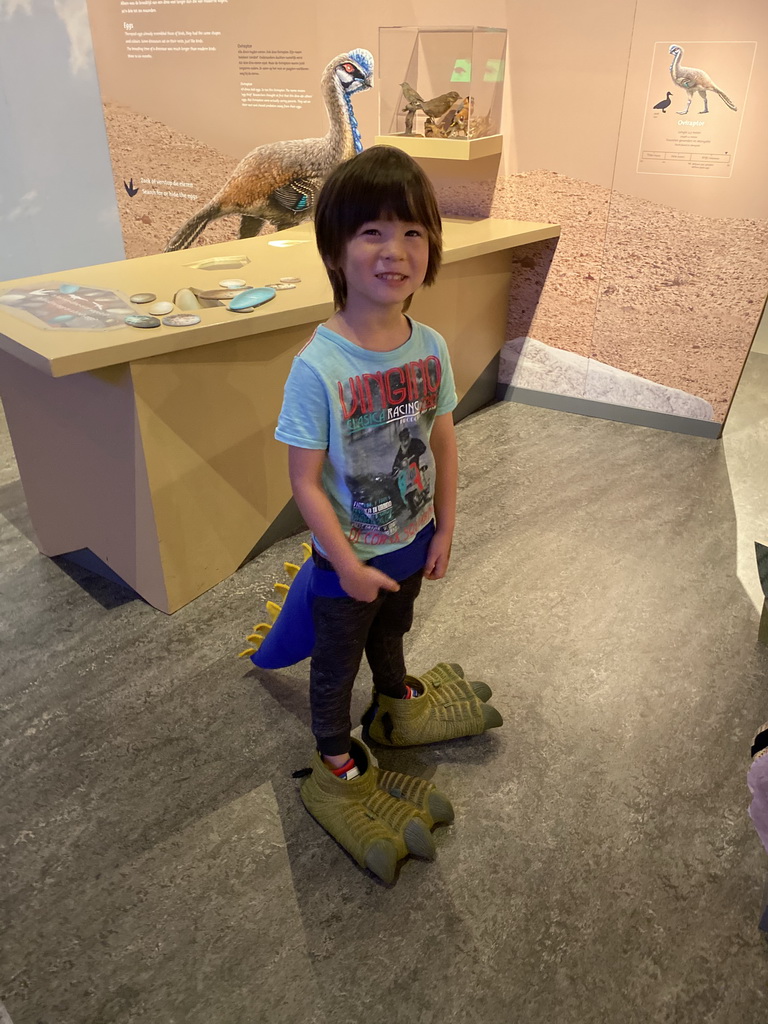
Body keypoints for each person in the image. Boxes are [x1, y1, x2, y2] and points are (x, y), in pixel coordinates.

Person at [273, 145, 502, 881]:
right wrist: (343, 562)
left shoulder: (429, 346)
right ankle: (336, 754)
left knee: (396, 630)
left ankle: (396, 701)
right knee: (336, 661)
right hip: (349, 562)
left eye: (411, 232)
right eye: (371, 231)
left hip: (410, 544)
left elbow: (443, 439)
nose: (394, 251)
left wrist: (445, 527)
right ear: (337, 249)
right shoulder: (320, 366)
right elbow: (304, 482)